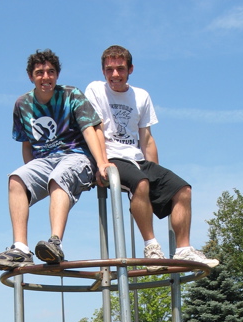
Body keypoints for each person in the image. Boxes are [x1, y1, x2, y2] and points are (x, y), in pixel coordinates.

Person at [85, 45, 219, 269]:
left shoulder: (141, 96)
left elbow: (146, 138)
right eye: (109, 70)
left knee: (182, 189)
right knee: (141, 183)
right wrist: (101, 163)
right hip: (111, 158)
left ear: (130, 69)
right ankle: (152, 247)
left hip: (138, 159)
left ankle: (183, 249)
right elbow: (94, 128)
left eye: (120, 69)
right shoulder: (96, 90)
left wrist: (157, 177)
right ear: (103, 71)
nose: (115, 75)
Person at [0, 49, 111, 271]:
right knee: (16, 179)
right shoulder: (22, 104)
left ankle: (55, 242)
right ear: (31, 77)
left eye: (51, 72)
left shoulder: (71, 95)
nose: (46, 77)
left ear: (57, 75)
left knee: (58, 176)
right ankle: (20, 249)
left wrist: (101, 163)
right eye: (40, 73)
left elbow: (90, 130)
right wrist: (31, 181)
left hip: (76, 156)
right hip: (44, 160)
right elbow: (27, 144)